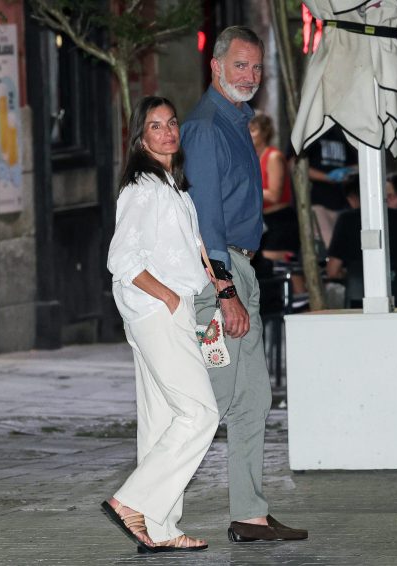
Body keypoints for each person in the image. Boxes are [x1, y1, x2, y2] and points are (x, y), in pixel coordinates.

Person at [181, 25, 308, 543]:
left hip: (241, 272)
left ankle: (249, 514)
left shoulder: (237, 121)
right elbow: (204, 218)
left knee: (254, 399)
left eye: (256, 67)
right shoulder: (208, 125)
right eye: (240, 65)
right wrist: (227, 290)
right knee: (205, 404)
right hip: (221, 277)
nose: (250, 76)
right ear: (215, 66)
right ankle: (144, 503)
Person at [102, 96, 219, 553]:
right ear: (140, 137)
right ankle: (130, 501)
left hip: (167, 310)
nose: (168, 132)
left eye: (172, 123)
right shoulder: (142, 190)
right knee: (200, 414)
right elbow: (121, 260)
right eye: (155, 126)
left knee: (163, 420)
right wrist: (169, 297)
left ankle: (160, 527)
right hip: (157, 311)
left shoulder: (170, 186)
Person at [326, 179, 397, 306]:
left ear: (352, 197)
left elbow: (332, 271)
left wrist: (350, 273)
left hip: (357, 296)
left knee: (331, 290)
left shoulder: (347, 220)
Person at [249, 112, 299, 261]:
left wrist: (247, 191)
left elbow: (274, 195)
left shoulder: (273, 157)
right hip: (262, 220)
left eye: (252, 130)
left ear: (264, 132)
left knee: (268, 259)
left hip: (279, 220)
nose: (248, 134)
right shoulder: (252, 158)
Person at [307, 125, 357, 247]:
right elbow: (296, 166)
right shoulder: (311, 133)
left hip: (342, 202)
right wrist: (327, 177)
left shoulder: (341, 133)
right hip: (318, 202)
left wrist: (347, 171)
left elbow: (357, 164)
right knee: (329, 246)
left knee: (343, 247)